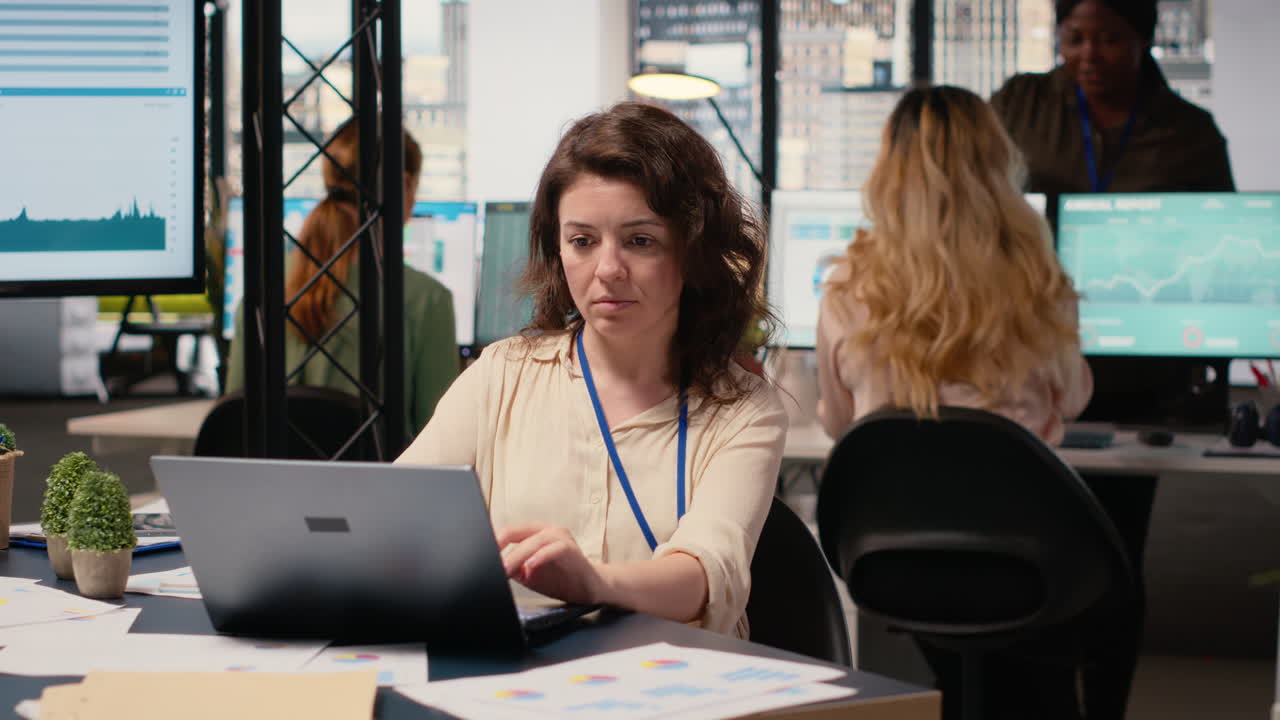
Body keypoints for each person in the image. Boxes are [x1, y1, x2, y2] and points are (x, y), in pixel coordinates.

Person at [396, 101, 787, 638]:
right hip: (515, 686)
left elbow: (706, 575)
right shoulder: (502, 375)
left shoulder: (743, 409)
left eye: (640, 241)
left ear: (693, 251)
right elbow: (395, 515)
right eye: (582, 241)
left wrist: (594, 582)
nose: (607, 270)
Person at [816, 86, 1106, 719]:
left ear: (889, 168)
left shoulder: (847, 284)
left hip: (895, 567)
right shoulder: (1036, 277)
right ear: (996, 164)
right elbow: (1076, 399)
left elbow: (843, 429)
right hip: (1030, 565)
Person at [225, 121, 459, 437]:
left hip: (277, 487)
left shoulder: (263, 292)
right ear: (403, 186)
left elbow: (232, 429)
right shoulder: (427, 300)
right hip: (382, 487)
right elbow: (442, 446)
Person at [992, 0, 1235, 199]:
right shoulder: (1020, 102)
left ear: (1143, 39)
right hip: (1033, 257)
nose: (1089, 56)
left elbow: (1216, 225)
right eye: (1074, 40)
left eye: (1109, 40)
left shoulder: (1191, 132)